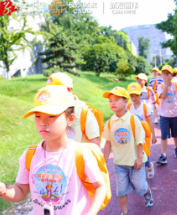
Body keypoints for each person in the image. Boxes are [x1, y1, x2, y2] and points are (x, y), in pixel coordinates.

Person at [0, 85, 107, 215]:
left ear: (70, 119)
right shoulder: (30, 155)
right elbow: (20, 191)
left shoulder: (81, 154)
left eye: (51, 115)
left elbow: (100, 186)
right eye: (38, 116)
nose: (43, 122)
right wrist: (3, 190)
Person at [103, 87, 154, 215]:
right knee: (120, 190)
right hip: (120, 163)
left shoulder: (133, 119)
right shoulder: (110, 123)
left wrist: (138, 159)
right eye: (110, 101)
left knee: (140, 187)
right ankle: (124, 212)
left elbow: (140, 140)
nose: (112, 103)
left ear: (125, 102)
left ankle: (147, 191)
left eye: (116, 100)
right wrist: (104, 161)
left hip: (135, 162)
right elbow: (108, 143)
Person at [46, 72, 100, 146]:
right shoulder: (51, 110)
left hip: (80, 157)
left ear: (68, 90)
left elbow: (94, 142)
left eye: (55, 92)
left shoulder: (83, 111)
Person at [127, 82, 157, 179]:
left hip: (144, 135)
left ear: (141, 95)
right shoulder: (128, 107)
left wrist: (154, 135)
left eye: (136, 95)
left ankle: (148, 165)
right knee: (134, 154)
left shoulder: (145, 107)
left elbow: (150, 122)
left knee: (144, 155)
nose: (134, 98)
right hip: (132, 135)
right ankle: (138, 174)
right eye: (132, 96)